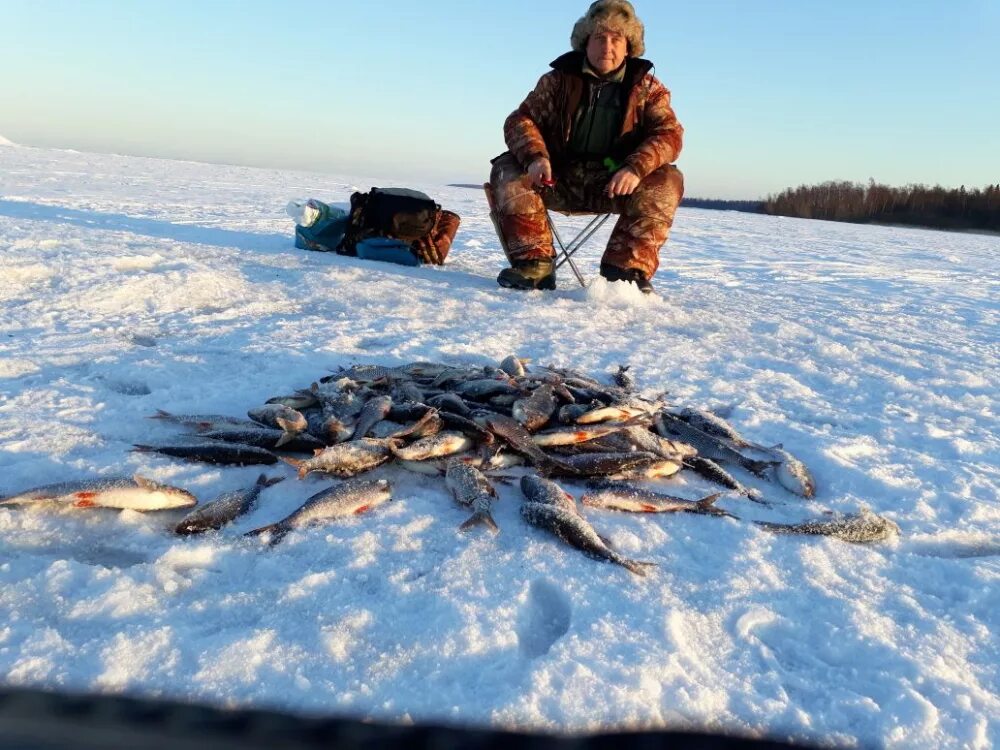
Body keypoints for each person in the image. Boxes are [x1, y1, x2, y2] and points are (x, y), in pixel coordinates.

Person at [489, 0, 684, 294]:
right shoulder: (557, 80)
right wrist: (536, 158)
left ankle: (624, 273)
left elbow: (669, 134)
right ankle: (534, 265)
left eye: (616, 38)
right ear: (585, 42)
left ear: (629, 46)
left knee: (668, 179)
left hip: (614, 184)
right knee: (508, 167)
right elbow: (520, 120)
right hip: (556, 179)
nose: (608, 46)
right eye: (599, 38)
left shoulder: (647, 88)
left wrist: (634, 168)